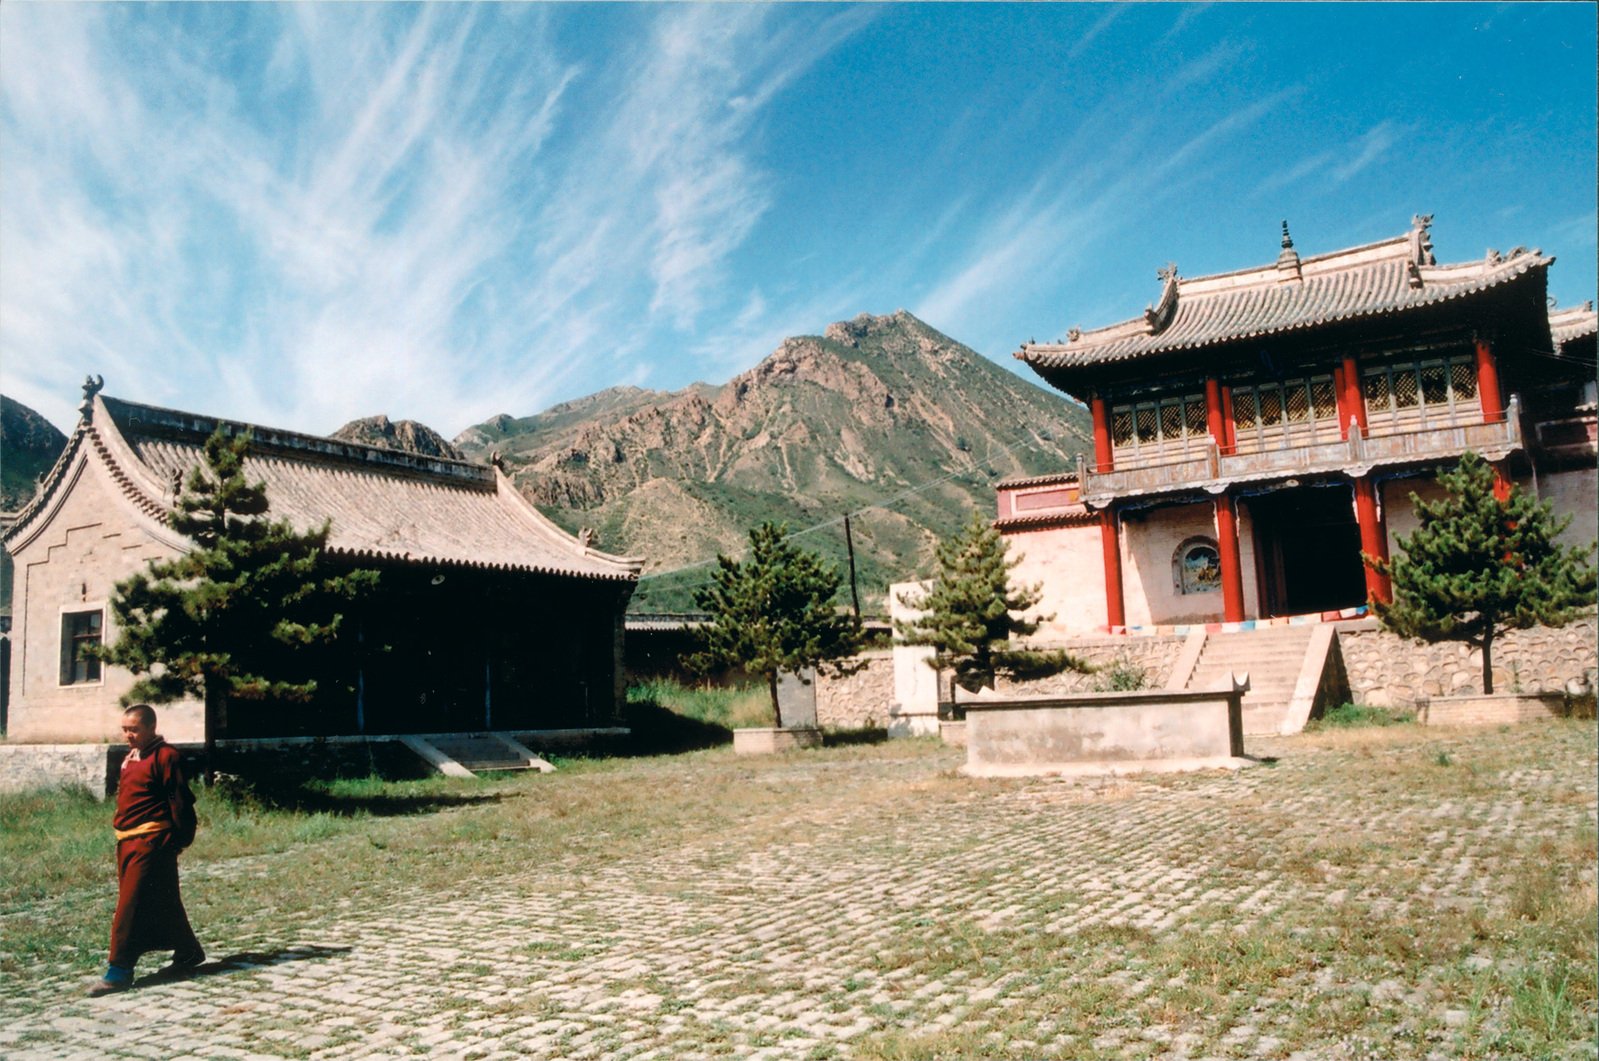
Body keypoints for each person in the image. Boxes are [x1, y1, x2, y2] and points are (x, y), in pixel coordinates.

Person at [88, 704, 205, 997]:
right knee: (161, 898)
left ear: (151, 728)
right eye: (125, 729)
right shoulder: (131, 758)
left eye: (134, 730)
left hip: (152, 842)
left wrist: (179, 840)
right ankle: (188, 952)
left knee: (131, 904)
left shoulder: (166, 756)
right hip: (127, 842)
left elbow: (179, 801)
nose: (128, 735)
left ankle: (119, 970)